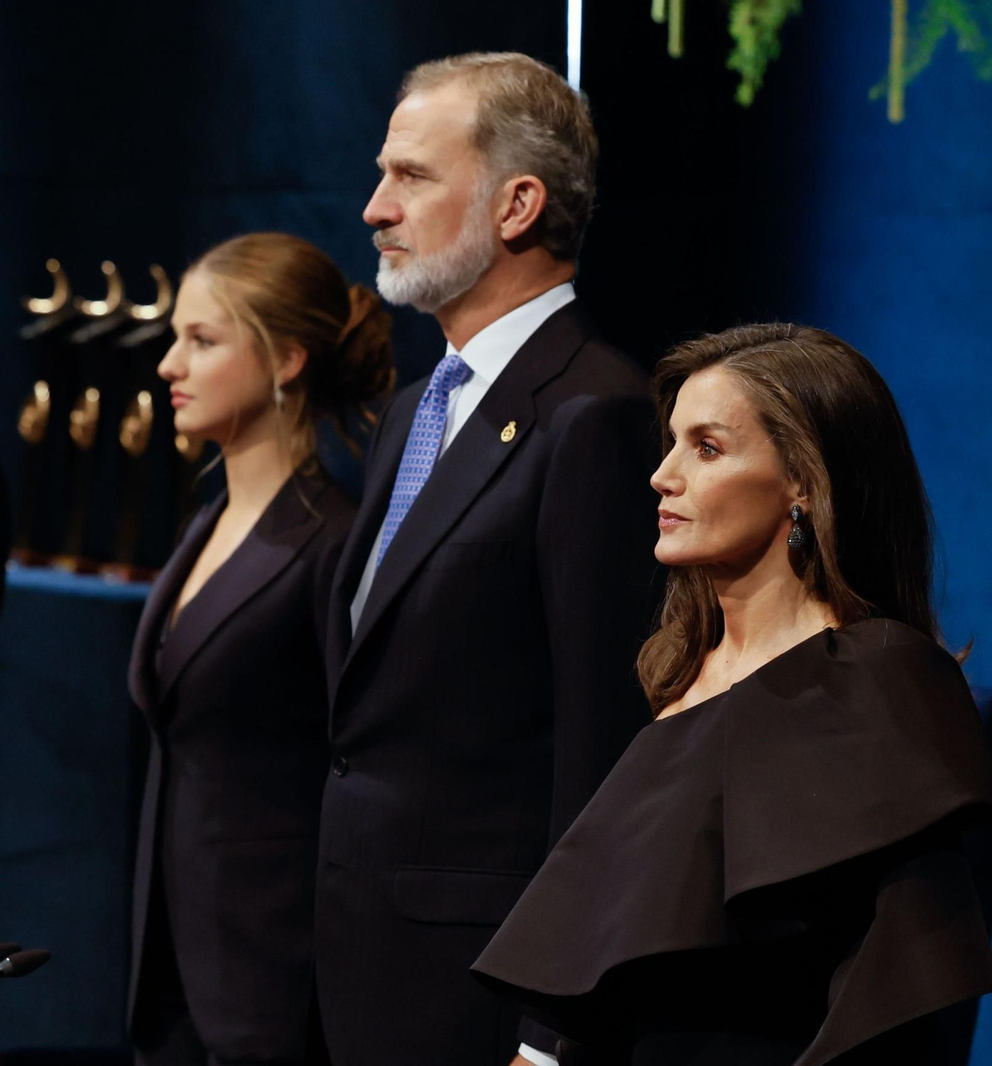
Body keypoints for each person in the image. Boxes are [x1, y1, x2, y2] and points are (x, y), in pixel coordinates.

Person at [472, 324, 992, 1065]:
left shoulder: (878, 680)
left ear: (804, 483)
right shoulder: (678, 678)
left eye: (708, 448)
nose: (664, 474)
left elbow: (895, 992)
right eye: (671, 443)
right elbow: (603, 961)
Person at [317, 52, 661, 1066]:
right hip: (358, 973)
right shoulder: (417, 411)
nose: (376, 208)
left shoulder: (593, 412)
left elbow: (603, 749)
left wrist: (557, 1027)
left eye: (412, 176)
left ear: (518, 203)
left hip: (484, 996)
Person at [127, 233, 394, 1066]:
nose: (170, 365)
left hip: (270, 982)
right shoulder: (205, 524)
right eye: (176, 337)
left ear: (285, 359)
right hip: (170, 972)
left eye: (202, 341)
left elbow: (358, 774)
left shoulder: (331, 545)